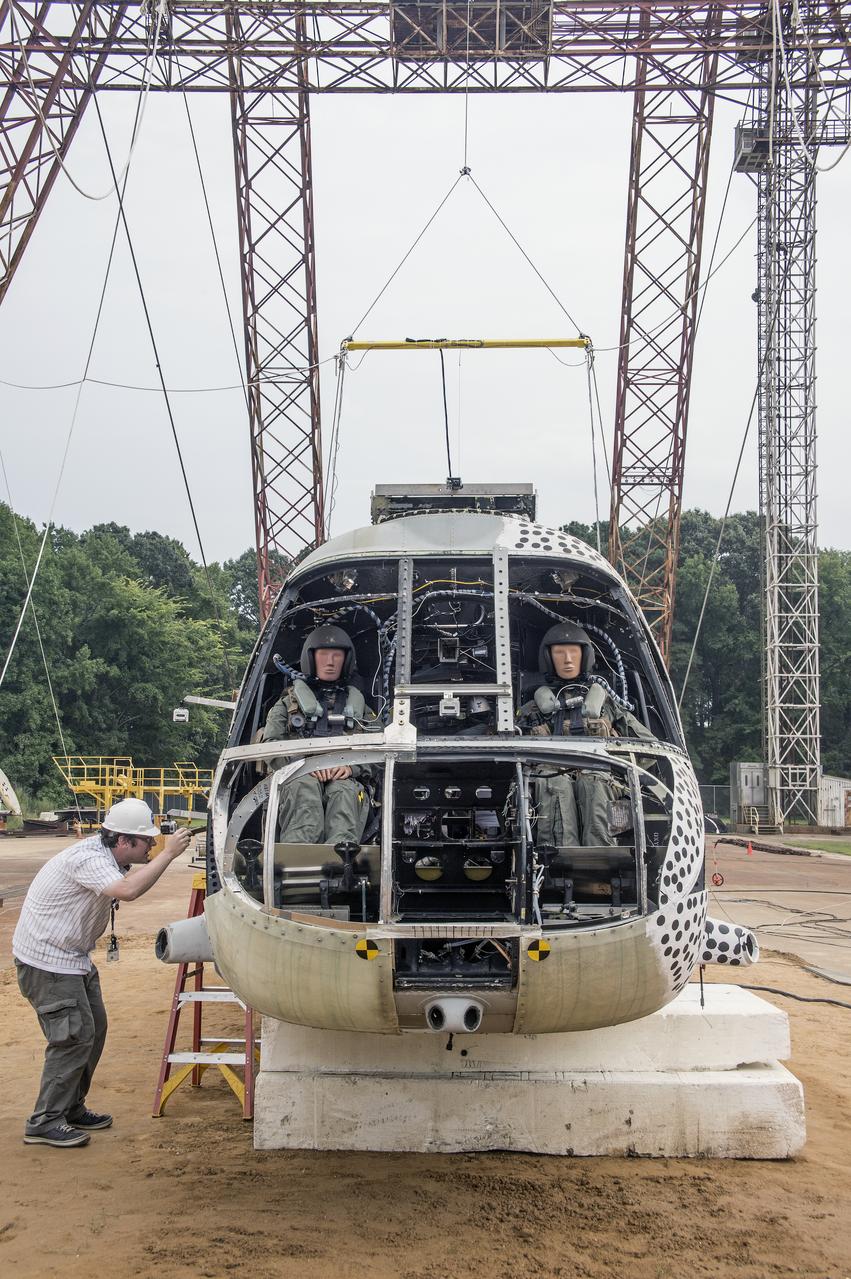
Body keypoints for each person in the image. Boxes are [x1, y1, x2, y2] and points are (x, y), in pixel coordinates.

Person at [13, 799, 190, 1148]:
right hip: (47, 962)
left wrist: (163, 855)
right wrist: (169, 855)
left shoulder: (108, 857)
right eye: (146, 841)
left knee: (94, 1029)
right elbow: (128, 891)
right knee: (73, 1038)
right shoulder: (90, 859)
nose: (152, 846)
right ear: (123, 841)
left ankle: (69, 1107)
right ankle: (45, 1120)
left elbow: (130, 883)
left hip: (71, 958)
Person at [518, 622, 652, 848]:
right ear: (548, 658)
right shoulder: (532, 710)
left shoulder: (608, 706)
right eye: (559, 653)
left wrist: (618, 755)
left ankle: (604, 856)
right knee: (555, 783)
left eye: (574, 652)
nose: (567, 659)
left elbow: (648, 749)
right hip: (551, 779)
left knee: (594, 782)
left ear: (585, 657)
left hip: (600, 777)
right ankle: (553, 857)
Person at [262, 624, 375, 844]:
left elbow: (380, 751)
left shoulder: (362, 710)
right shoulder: (287, 704)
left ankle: (342, 862)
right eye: (324, 654)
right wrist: (302, 766)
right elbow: (270, 745)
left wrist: (351, 768)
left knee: (344, 792)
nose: (330, 662)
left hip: (344, 778)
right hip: (297, 775)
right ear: (311, 659)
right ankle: (297, 859)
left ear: (346, 660)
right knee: (303, 789)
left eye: (337, 655)